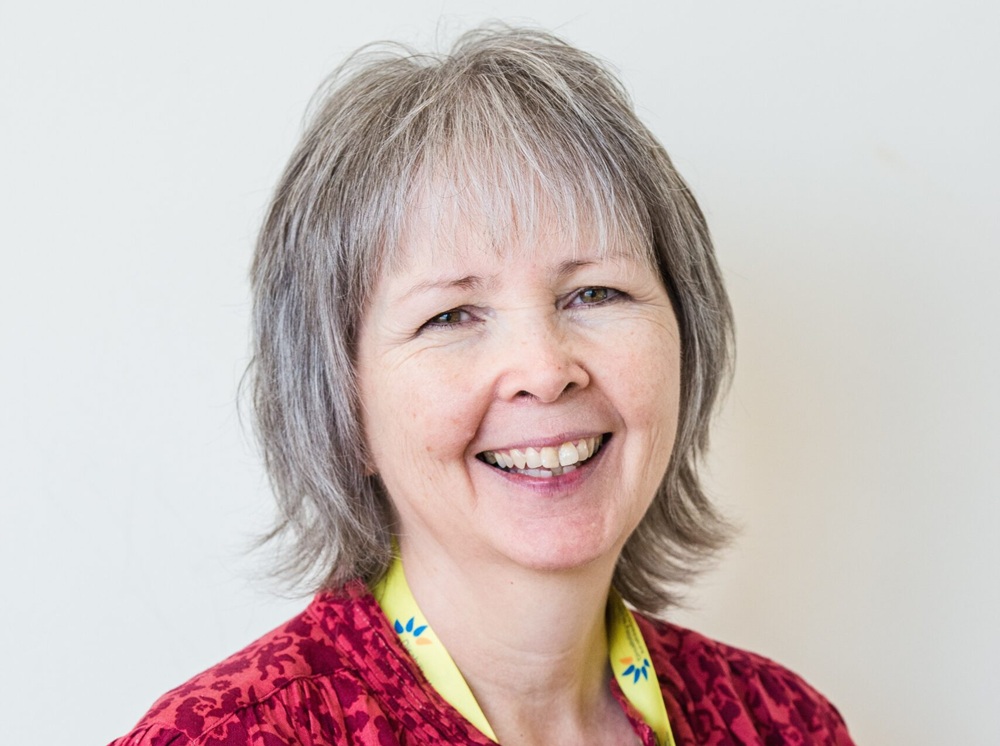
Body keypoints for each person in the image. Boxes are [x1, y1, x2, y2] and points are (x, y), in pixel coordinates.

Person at [110, 26, 854, 746]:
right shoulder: (227, 738)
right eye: (450, 315)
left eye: (595, 293)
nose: (544, 370)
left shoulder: (785, 725)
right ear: (343, 404)